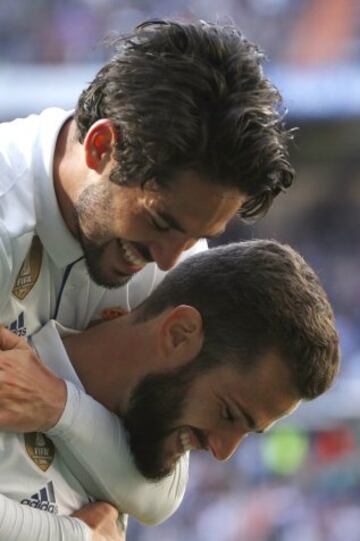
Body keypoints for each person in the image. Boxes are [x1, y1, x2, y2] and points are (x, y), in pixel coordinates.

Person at [0, 16, 295, 535]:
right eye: (161, 222)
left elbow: (161, 491)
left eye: (199, 234)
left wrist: (57, 405)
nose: (167, 260)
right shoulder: (7, 211)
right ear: (100, 148)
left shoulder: (178, 257)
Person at [0, 240, 339, 540]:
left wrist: (63, 408)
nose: (223, 452)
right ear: (179, 334)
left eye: (249, 432)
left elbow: (163, 499)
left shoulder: (133, 469)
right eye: (229, 414)